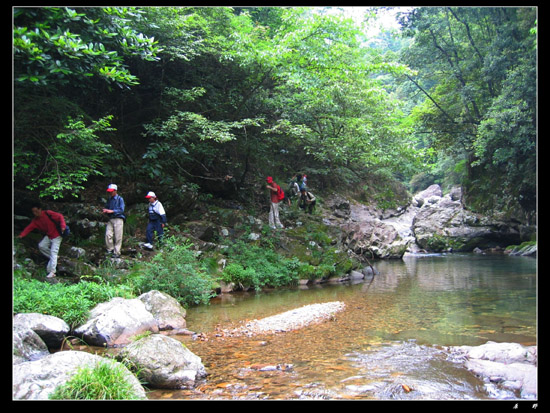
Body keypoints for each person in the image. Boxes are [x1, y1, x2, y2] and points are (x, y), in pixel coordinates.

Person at [18, 202, 67, 278]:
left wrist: (63, 226)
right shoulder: (36, 221)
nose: (35, 213)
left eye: (36, 211)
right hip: (49, 235)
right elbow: (29, 227)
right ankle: (54, 258)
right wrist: (22, 235)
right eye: (33, 212)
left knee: (53, 251)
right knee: (41, 246)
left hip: (57, 235)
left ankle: (52, 272)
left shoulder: (48, 213)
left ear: (40, 209)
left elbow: (60, 216)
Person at [102, 183, 125, 258]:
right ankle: (110, 249)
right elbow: (107, 207)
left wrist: (112, 211)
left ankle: (117, 252)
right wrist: (106, 210)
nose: (110, 193)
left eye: (111, 191)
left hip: (118, 219)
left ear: (115, 191)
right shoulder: (109, 199)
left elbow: (122, 210)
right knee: (108, 234)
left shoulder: (120, 199)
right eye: (109, 191)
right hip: (111, 219)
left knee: (118, 236)